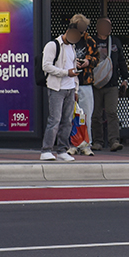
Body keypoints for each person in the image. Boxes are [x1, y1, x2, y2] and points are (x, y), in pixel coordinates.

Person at [40, 15, 89, 162]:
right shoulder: (53, 45)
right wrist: (65, 73)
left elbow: (72, 69)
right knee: (55, 119)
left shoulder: (72, 47)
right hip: (56, 88)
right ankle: (46, 150)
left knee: (67, 120)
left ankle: (62, 150)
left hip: (69, 88)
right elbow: (46, 66)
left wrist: (75, 89)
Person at [90, 17, 128, 152]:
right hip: (95, 84)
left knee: (112, 112)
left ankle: (114, 141)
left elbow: (121, 61)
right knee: (96, 114)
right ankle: (98, 141)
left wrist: (125, 79)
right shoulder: (91, 42)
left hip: (112, 83)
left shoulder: (115, 42)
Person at [70, 23, 100, 155]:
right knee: (71, 115)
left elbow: (97, 58)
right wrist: (72, 62)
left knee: (86, 115)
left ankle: (87, 143)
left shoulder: (90, 41)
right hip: (71, 82)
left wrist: (88, 62)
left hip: (86, 81)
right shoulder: (67, 42)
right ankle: (73, 143)